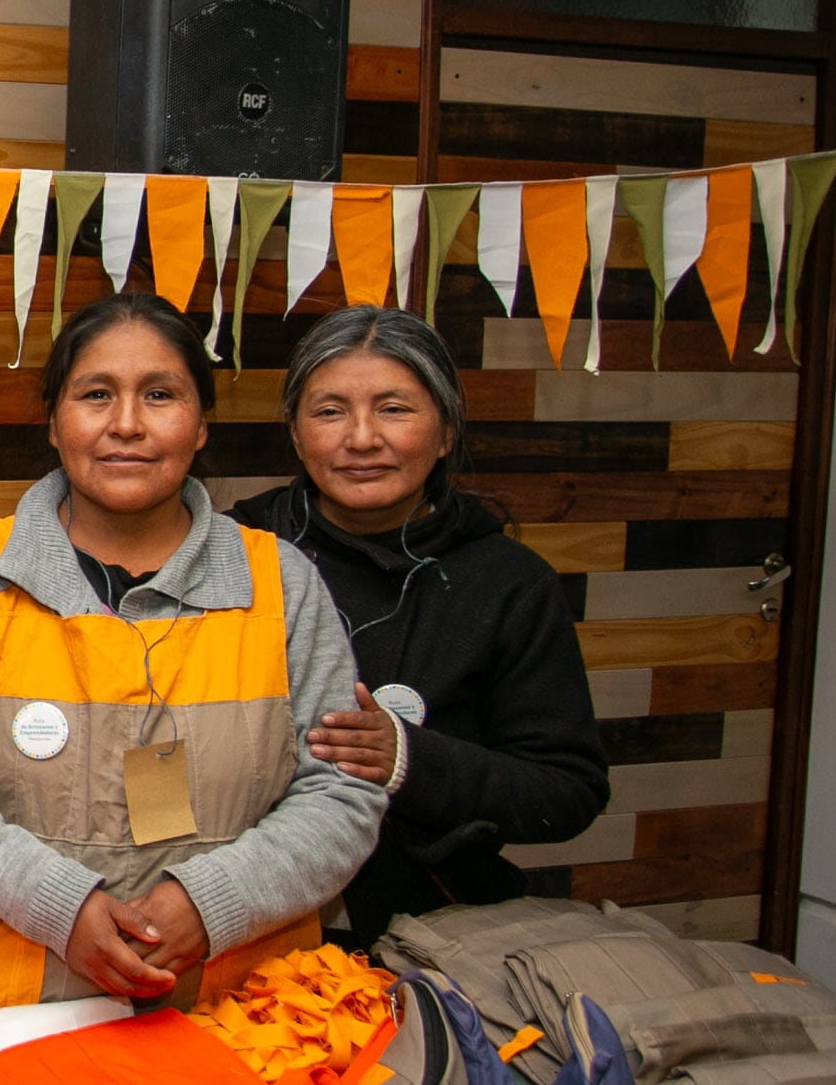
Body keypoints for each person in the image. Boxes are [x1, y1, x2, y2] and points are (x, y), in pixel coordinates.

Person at [0, 290, 385, 1010]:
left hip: (244, 1017)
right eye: (96, 394)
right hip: (14, 1017)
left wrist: (212, 903)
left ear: (201, 425)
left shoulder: (282, 583)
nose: (127, 425)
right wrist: (60, 906)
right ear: (54, 420)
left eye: (161, 395)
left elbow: (343, 791)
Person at [227, 305, 607, 940]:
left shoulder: (508, 581)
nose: (362, 438)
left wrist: (406, 758)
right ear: (295, 434)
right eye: (329, 411)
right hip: (238, 916)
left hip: (425, 930)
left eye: (394, 408)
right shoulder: (231, 551)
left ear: (447, 430)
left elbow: (566, 793)